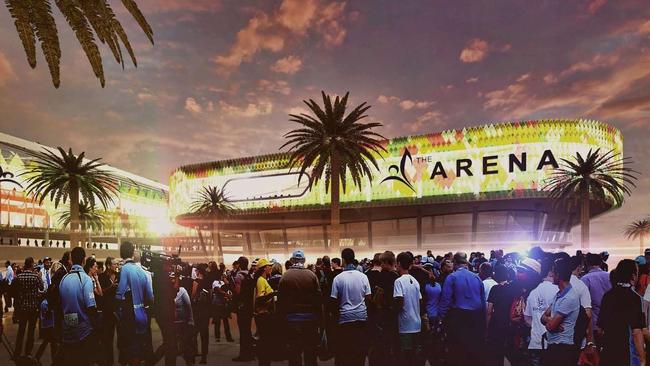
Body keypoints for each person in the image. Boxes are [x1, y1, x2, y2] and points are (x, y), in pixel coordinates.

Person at [439, 252, 486, 366]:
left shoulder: (452, 277)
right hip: (476, 318)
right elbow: (483, 302)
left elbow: (445, 300)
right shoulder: (477, 278)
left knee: (457, 352)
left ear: (455, 263)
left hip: (458, 319)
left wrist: (440, 319)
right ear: (466, 263)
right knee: (472, 352)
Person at [599, 259, 646, 366]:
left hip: (607, 353)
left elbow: (600, 330)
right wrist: (642, 359)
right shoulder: (634, 298)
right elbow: (636, 332)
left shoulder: (607, 296)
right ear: (633, 276)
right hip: (626, 355)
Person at [278, 250, 321, 366]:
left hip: (291, 320)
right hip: (310, 319)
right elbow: (318, 299)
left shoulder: (285, 276)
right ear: (304, 260)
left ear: (292, 260)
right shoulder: (312, 275)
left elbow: (281, 301)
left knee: (294, 352)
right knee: (310, 351)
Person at [330, 248, 371, 366]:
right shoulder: (363, 277)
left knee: (345, 352)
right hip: (361, 318)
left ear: (343, 259)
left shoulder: (338, 278)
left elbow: (333, 300)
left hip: (345, 319)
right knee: (359, 352)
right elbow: (368, 297)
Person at [116, 241, 154, 366]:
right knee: (138, 349)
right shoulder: (142, 271)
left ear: (122, 253)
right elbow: (150, 295)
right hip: (142, 314)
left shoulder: (125, 269)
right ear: (132, 253)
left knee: (129, 349)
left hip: (129, 315)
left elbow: (120, 293)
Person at [58, 247, 98, 365]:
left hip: (67, 329)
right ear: (84, 260)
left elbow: (61, 305)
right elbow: (91, 307)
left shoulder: (64, 279)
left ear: (71, 260)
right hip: (83, 331)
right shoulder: (85, 279)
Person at [541, 258, 581, 366]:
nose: (551, 275)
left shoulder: (569, 298)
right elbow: (542, 318)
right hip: (555, 348)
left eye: (553, 272)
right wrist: (551, 320)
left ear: (558, 275)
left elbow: (550, 327)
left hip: (562, 350)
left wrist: (550, 322)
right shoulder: (559, 294)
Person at [524, 257, 558, 366]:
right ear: (552, 272)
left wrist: (536, 325)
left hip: (535, 342)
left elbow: (527, 318)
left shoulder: (533, 293)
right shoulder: (558, 291)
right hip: (554, 343)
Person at [367, 251, 399, 366]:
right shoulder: (396, 277)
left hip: (378, 315)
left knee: (378, 346)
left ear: (385, 262)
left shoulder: (375, 276)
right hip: (391, 316)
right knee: (390, 347)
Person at [393, 252, 422, 366]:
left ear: (398, 264)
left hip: (405, 324)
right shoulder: (415, 281)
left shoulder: (398, 281)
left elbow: (399, 302)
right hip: (417, 323)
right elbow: (420, 300)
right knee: (414, 356)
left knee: (406, 355)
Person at [13, 256, 45, 359]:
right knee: (31, 331)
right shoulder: (35, 276)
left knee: (21, 331)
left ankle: (17, 353)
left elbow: (14, 291)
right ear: (31, 264)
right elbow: (41, 287)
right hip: (33, 308)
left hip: (22, 308)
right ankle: (28, 353)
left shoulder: (19, 277)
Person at [580, 252, 611, 345]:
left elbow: (583, 303)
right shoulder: (610, 276)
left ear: (587, 264)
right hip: (609, 322)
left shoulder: (585, 279)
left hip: (594, 324)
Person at [232, 256, 256, 362]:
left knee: (243, 331)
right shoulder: (251, 275)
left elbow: (237, 291)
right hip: (249, 306)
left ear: (240, 264)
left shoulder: (239, 275)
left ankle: (243, 355)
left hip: (242, 306)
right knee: (248, 331)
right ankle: (250, 353)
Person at [253, 258, 275, 366]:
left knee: (264, 341)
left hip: (263, 314)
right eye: (268, 266)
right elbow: (260, 299)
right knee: (265, 342)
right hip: (263, 315)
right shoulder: (261, 280)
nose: (270, 267)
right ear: (264, 268)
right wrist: (274, 293)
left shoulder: (262, 279)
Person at [422, 260, 443, 366]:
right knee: (436, 336)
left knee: (427, 337)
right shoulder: (439, 286)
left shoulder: (425, 287)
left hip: (427, 314)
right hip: (437, 314)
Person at [173, 272, 196, 366]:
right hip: (172, 322)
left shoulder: (182, 291)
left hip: (183, 322)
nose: (174, 281)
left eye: (175, 279)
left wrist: (191, 320)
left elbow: (188, 306)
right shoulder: (168, 292)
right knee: (171, 345)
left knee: (185, 344)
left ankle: (189, 361)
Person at [192, 264, 212, 364]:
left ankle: (194, 352)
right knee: (205, 334)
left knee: (194, 332)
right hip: (206, 310)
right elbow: (211, 295)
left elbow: (193, 295)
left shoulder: (196, 281)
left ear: (198, 271)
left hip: (197, 310)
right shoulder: (208, 282)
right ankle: (204, 356)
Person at [211, 272, 234, 342]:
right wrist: (226, 294)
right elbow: (218, 290)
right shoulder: (215, 282)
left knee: (225, 321)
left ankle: (228, 337)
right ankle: (218, 337)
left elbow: (230, 287)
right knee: (217, 322)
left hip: (223, 303)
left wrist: (226, 282)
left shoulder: (223, 281)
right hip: (217, 304)